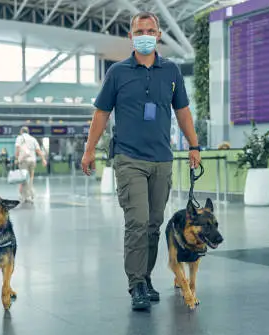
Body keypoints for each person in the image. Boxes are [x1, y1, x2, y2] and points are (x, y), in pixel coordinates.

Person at [81, 11, 202, 311]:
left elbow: (183, 112)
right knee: (136, 222)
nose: (145, 35)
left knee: (153, 223)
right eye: (139, 31)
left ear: (159, 34)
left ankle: (145, 278)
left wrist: (194, 145)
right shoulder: (118, 73)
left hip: (162, 159)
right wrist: (89, 150)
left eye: (150, 30)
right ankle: (136, 283)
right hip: (129, 158)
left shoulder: (171, 71)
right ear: (131, 36)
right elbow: (101, 114)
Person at [14, 126, 47, 203]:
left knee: (24, 178)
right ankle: (30, 194)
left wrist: (16, 158)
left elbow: (18, 148)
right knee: (31, 178)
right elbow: (38, 150)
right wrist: (43, 159)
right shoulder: (33, 139)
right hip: (32, 160)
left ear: (21, 131)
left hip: (23, 160)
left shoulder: (19, 138)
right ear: (28, 132)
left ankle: (26, 196)